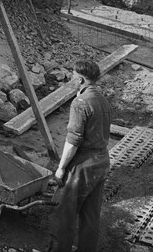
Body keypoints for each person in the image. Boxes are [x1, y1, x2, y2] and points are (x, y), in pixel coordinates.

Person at [47, 59, 111, 252]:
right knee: (90, 215)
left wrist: (60, 169)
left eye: (74, 77)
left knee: (63, 214)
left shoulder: (80, 102)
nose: (72, 79)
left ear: (82, 79)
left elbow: (73, 141)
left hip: (83, 165)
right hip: (101, 161)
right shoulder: (101, 98)